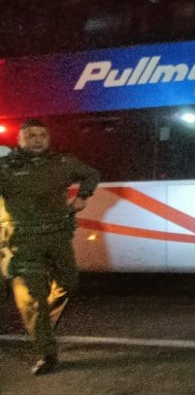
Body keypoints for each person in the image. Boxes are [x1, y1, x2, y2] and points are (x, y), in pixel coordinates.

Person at [0, 118, 100, 375]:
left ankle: (43, 324)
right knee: (33, 300)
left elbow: (91, 174)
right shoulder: (5, 166)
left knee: (69, 283)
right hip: (22, 242)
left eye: (42, 135)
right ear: (20, 139)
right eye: (31, 135)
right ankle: (47, 352)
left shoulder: (62, 162)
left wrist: (82, 197)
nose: (37, 139)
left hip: (57, 237)